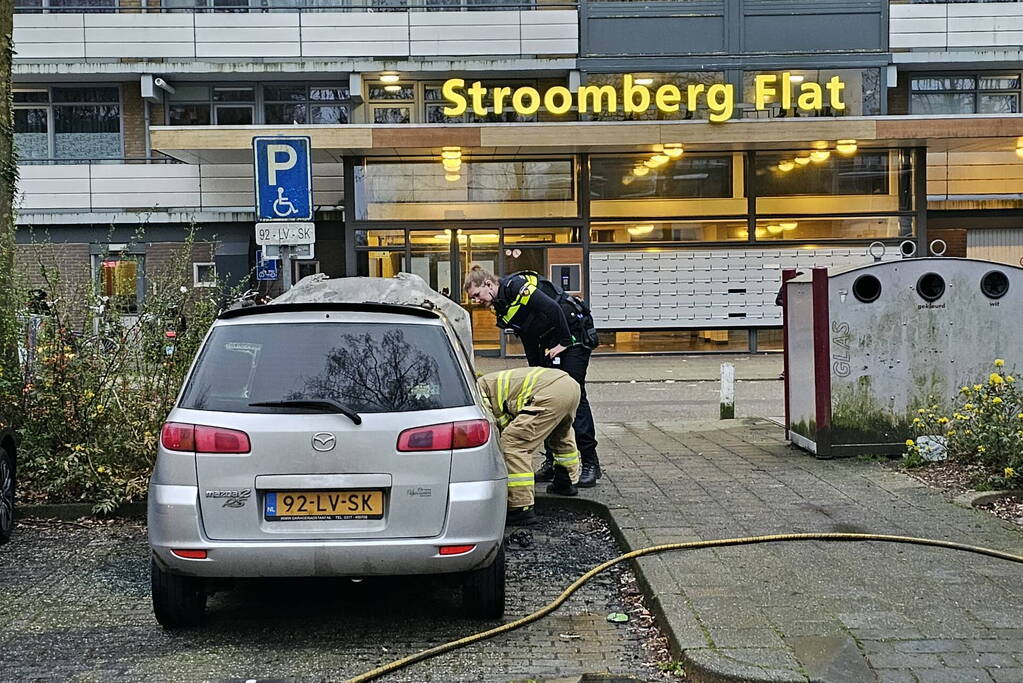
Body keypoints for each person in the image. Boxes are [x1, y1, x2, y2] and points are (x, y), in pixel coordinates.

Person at [464, 266, 601, 487]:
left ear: (488, 284)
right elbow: (528, 335)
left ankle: (590, 463)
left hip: (573, 335)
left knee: (574, 394)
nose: (477, 301)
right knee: (545, 397)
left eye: (477, 295)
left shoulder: (516, 287)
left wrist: (564, 343)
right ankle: (553, 462)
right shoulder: (502, 306)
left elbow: (554, 308)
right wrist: (536, 370)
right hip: (549, 341)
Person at [476, 366, 581, 526]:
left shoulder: (476, 393)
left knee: (513, 443)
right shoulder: (488, 382)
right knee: (560, 435)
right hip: (569, 385)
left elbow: (493, 425)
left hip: (549, 393)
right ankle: (565, 481)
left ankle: (520, 507)